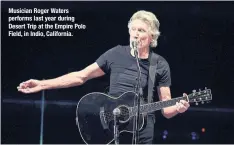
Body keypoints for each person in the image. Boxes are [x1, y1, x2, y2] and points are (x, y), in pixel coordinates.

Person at [17, 10, 190, 144]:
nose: (135, 34)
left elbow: (166, 108)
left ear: (151, 36)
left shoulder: (159, 64)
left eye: (141, 30)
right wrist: (42, 84)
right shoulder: (115, 54)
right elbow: (80, 76)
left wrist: (178, 108)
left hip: (143, 132)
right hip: (111, 127)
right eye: (133, 29)